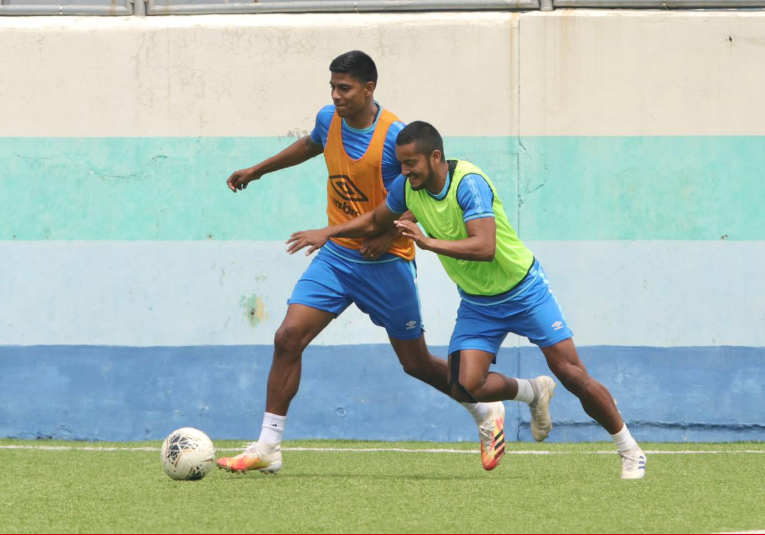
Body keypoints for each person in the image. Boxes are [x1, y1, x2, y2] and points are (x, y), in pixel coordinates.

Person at [215, 52, 553, 475]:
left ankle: (499, 405)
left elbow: (419, 198)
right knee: (288, 337)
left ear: (369, 88)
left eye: (345, 88)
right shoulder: (328, 119)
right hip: (337, 258)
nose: (336, 96)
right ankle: (268, 446)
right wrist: (258, 170)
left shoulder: (396, 137)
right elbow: (310, 145)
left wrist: (389, 234)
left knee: (415, 363)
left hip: (385, 263)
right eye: (333, 88)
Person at [287, 121, 647, 480]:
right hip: (478, 304)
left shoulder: (468, 183)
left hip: (525, 292)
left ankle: (630, 450)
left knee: (571, 374)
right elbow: (375, 220)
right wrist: (328, 232)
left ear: (436, 157)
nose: (404, 171)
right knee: (464, 384)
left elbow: (485, 247)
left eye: (411, 163)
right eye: (401, 163)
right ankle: (533, 392)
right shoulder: (406, 189)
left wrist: (427, 243)